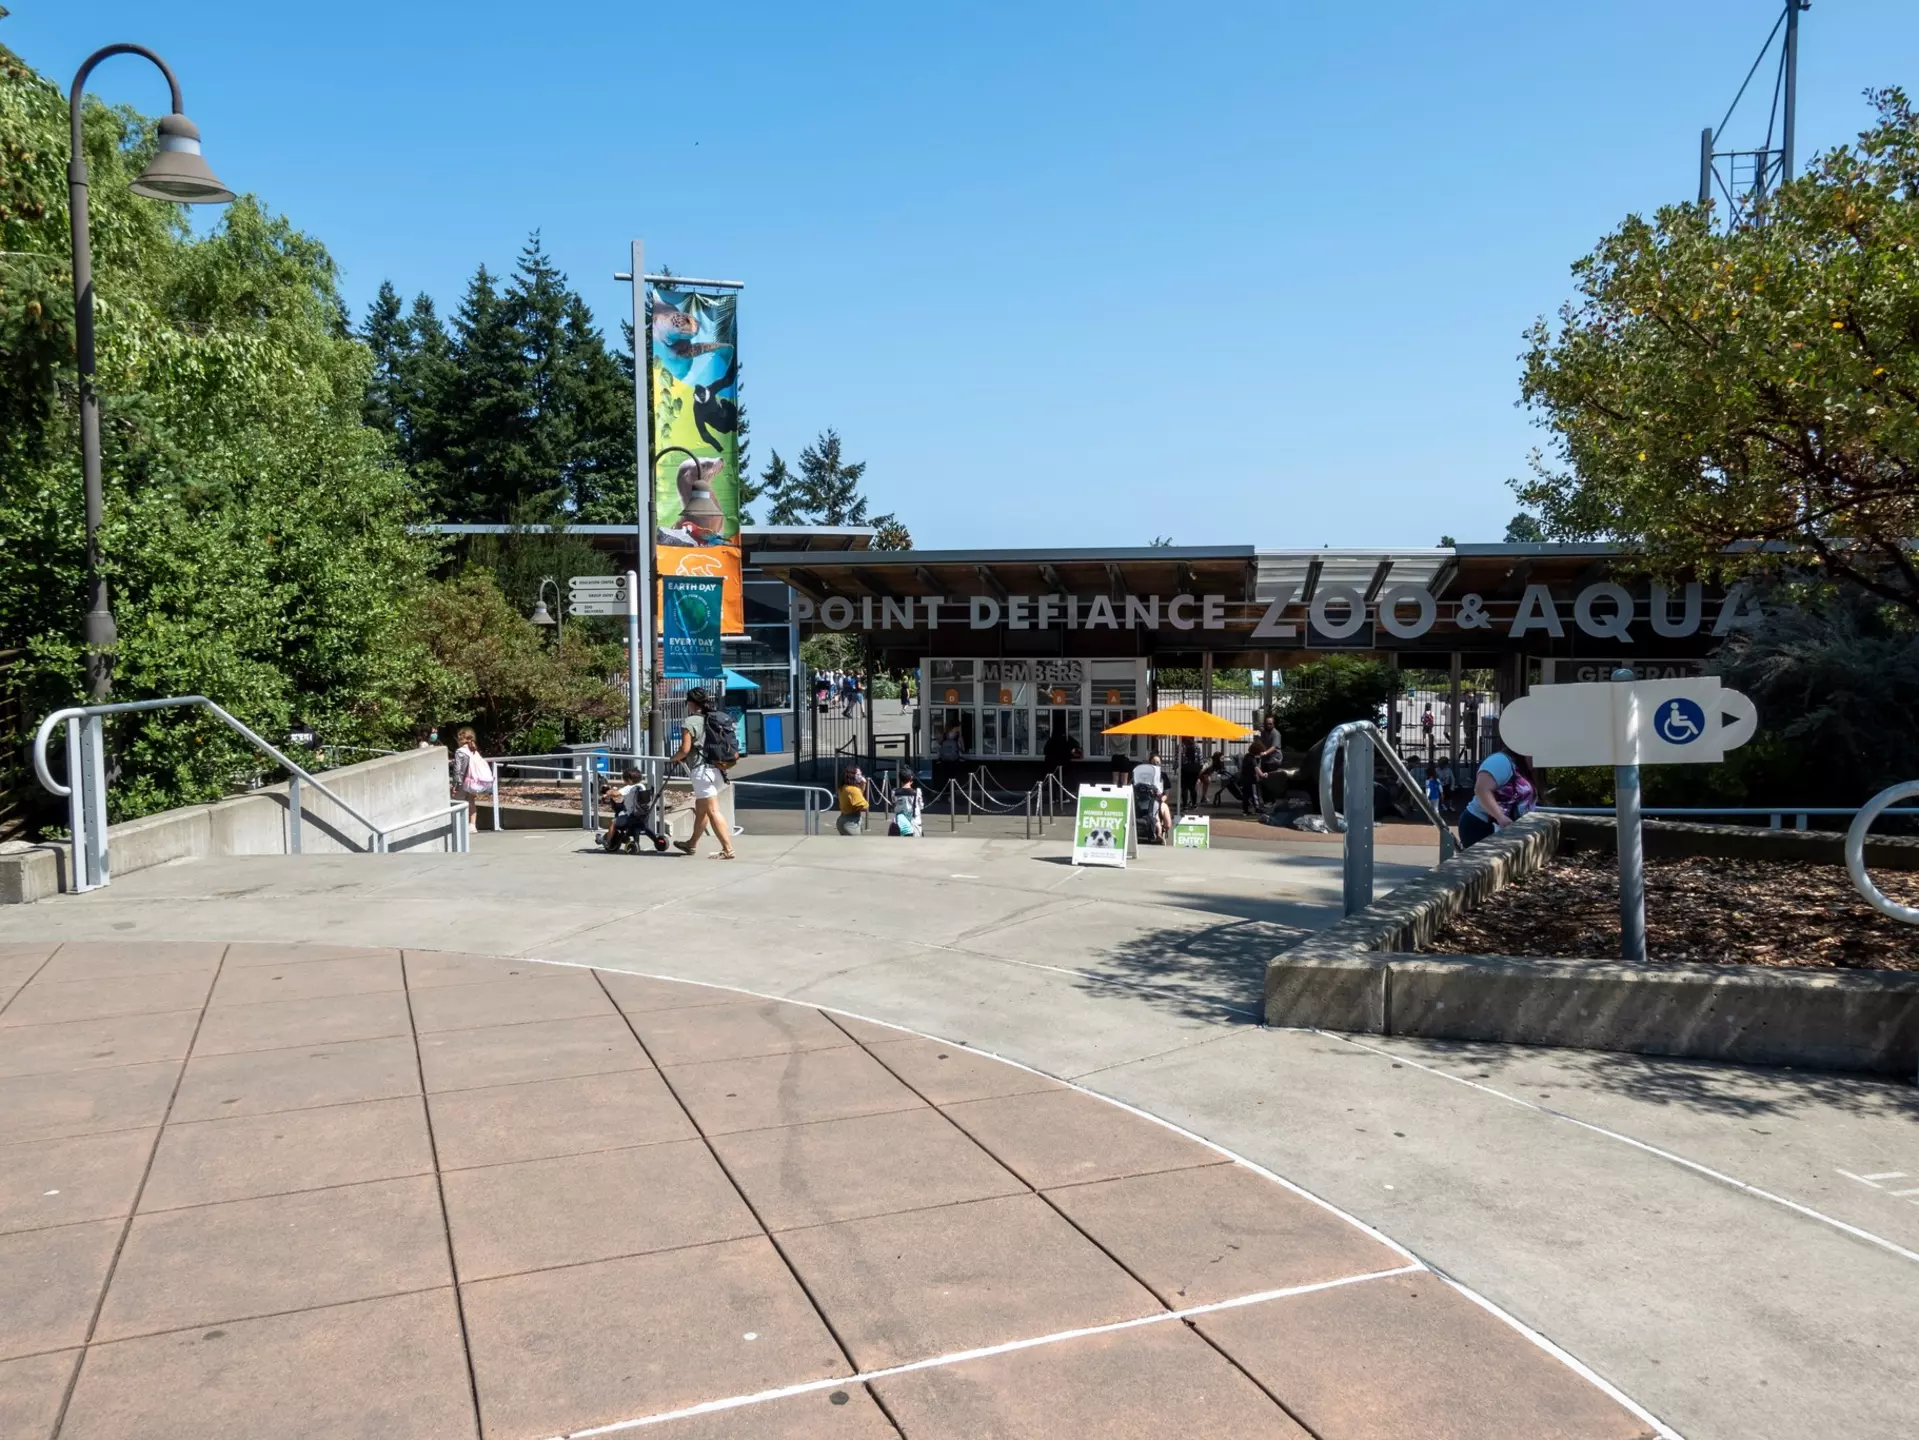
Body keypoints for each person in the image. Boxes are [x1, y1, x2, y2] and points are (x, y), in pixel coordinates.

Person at [669, 688, 736, 859]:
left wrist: (673, 758)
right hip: (719, 770)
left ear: (691, 703)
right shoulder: (715, 718)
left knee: (713, 811)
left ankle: (728, 849)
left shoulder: (690, 722)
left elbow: (685, 749)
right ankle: (691, 844)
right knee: (702, 810)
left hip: (702, 772)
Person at [1458, 731, 1535, 849]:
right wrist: (1500, 817)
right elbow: (1481, 789)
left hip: (1503, 826)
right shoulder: (1501, 761)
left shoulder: (1524, 767)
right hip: (1481, 825)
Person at [603, 766, 668, 853]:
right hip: (642, 815)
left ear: (629, 780)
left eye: (624, 779)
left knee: (613, 822)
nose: (624, 781)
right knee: (641, 826)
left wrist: (609, 792)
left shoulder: (629, 787)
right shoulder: (642, 787)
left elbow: (616, 794)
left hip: (630, 816)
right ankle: (658, 841)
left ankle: (607, 841)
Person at [451, 728, 493, 826]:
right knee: (471, 801)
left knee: (457, 802)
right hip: (474, 781)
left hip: (464, 781)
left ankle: (459, 826)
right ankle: (472, 825)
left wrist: (455, 785)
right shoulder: (473, 750)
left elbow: (458, 770)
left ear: (460, 739)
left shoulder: (460, 751)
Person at [1133, 751, 1172, 839]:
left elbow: (1166, 793)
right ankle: (1158, 832)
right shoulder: (1144, 775)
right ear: (1150, 763)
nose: (1156, 764)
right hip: (1144, 800)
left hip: (1158, 800)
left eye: (1158, 762)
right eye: (1154, 762)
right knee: (1155, 813)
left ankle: (1162, 829)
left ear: (1161, 763)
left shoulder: (1163, 776)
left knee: (1168, 823)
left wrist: (1162, 799)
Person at [836, 764, 870, 835]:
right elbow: (864, 806)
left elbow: (857, 796)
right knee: (855, 844)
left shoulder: (844, 787)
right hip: (851, 823)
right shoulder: (853, 790)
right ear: (851, 775)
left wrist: (863, 784)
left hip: (843, 820)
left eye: (861, 774)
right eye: (858, 774)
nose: (860, 776)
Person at [1177, 737, 1203, 811]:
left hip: (1185, 768)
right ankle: (1194, 805)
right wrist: (1199, 769)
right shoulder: (1197, 746)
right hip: (1194, 769)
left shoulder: (1180, 746)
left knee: (1184, 788)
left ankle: (1185, 806)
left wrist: (1176, 767)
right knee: (1192, 788)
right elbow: (1200, 760)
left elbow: (1178, 759)